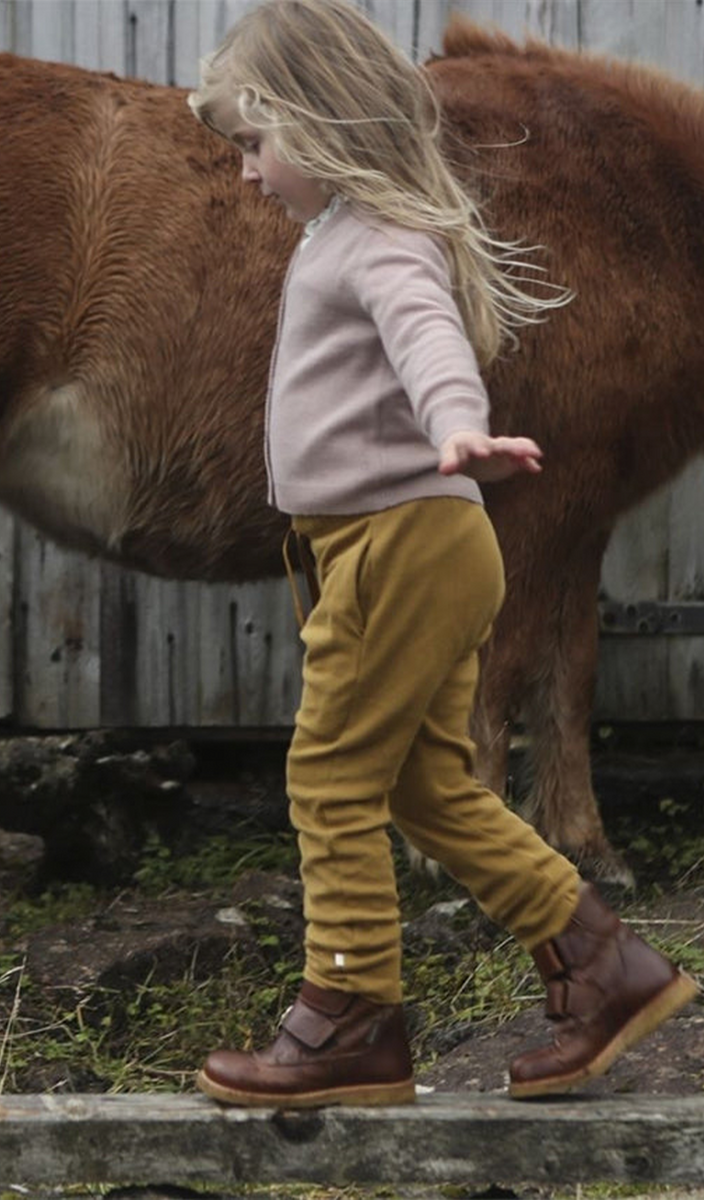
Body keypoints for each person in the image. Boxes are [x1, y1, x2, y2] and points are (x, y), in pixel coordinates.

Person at [187, 0, 698, 1108]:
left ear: (321, 125)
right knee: (425, 788)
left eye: (255, 144)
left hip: (400, 545)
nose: (244, 174)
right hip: (394, 546)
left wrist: (456, 424)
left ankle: (349, 1015)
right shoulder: (344, 232)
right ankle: (605, 968)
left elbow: (426, 333)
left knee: (329, 777)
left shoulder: (380, 238)